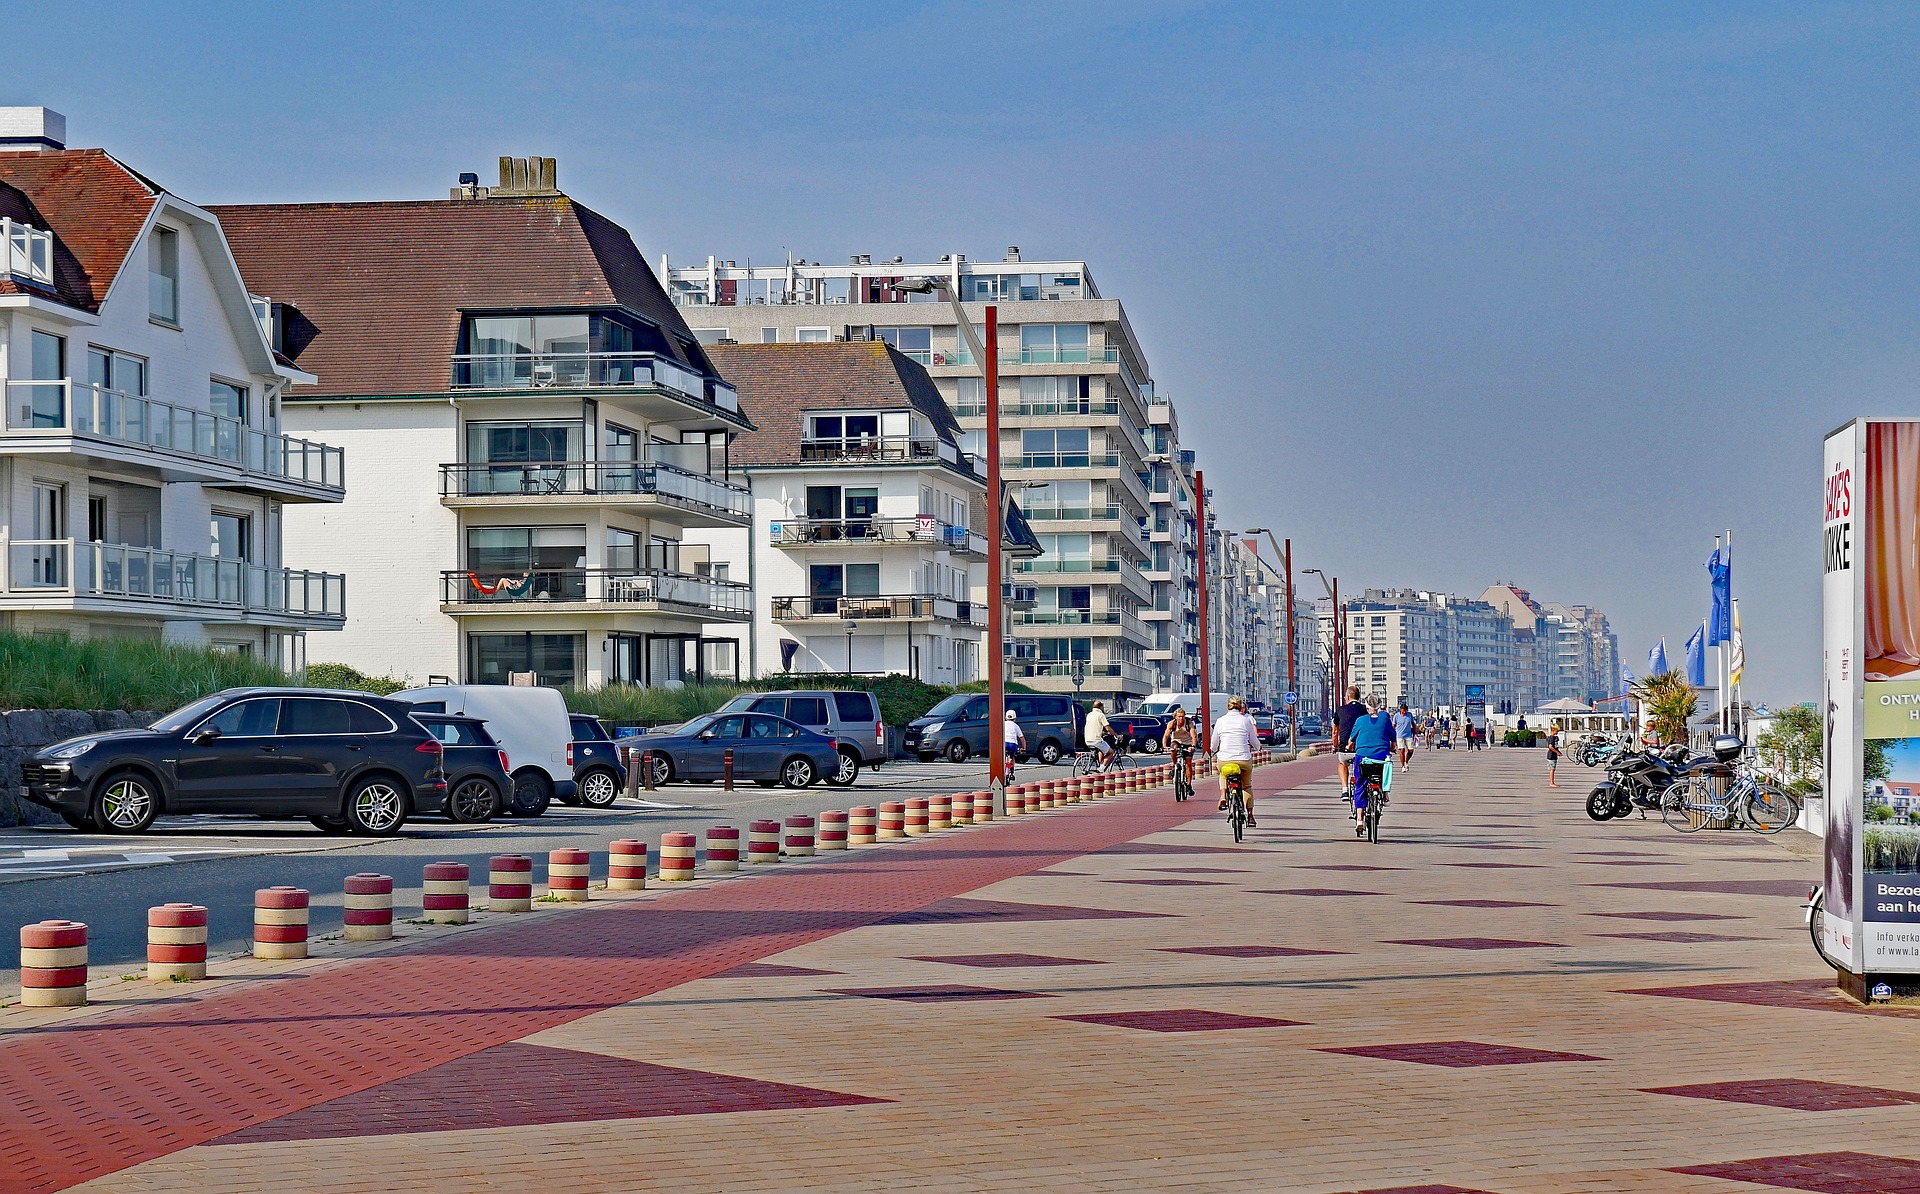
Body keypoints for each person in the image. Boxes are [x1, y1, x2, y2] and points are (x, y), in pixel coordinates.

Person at [1347, 696, 1397, 835]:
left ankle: (1359, 820)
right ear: (1380, 706)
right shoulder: (1385, 719)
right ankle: (1385, 794)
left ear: (1366, 707)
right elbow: (1393, 739)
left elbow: (1351, 741)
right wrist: (1392, 747)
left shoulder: (1360, 720)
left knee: (1360, 785)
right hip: (1381, 756)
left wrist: (1349, 746)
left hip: (1363, 757)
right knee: (1385, 770)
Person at [1211, 696, 1260, 826]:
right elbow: (1254, 741)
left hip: (1225, 759)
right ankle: (1250, 816)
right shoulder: (1246, 721)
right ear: (1240, 707)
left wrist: (1214, 749)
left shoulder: (1220, 721)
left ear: (1228, 706)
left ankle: (1223, 796)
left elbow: (1214, 744)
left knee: (1222, 773)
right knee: (1247, 786)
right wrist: (1258, 747)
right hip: (1243, 759)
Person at [1331, 685, 1367, 800]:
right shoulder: (1364, 709)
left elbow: (1335, 731)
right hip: (1362, 748)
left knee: (1342, 763)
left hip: (1345, 749)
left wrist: (1334, 745)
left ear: (1347, 696)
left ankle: (1345, 790)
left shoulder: (1340, 710)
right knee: (1365, 766)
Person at [1165, 707, 1197, 797]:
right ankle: (1174, 764)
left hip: (1188, 743)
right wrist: (1164, 746)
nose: (1181, 719)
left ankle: (1189, 785)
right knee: (1173, 748)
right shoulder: (1172, 724)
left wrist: (1193, 746)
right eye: (1179, 716)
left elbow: (1193, 736)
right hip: (1177, 742)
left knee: (1188, 763)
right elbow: (1166, 735)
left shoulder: (1189, 723)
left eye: (1182, 716)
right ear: (1175, 717)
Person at [1084, 700, 1113, 772]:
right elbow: (1107, 728)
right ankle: (1101, 768)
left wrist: (1102, 733)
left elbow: (1094, 727)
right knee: (1110, 752)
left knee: (1101, 749)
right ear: (1100, 707)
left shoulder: (1089, 715)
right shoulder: (1101, 715)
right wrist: (1116, 735)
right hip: (1096, 740)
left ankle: (1100, 764)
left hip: (1087, 740)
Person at [1392, 703, 1416, 771]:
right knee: (1402, 750)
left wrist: (1415, 733)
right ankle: (1403, 766)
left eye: (1405, 711)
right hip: (1400, 735)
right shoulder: (1396, 716)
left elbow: (1413, 724)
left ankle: (1406, 761)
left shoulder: (1409, 715)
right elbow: (1393, 725)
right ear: (1400, 710)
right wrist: (1392, 734)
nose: (1404, 712)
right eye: (1403, 711)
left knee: (1411, 750)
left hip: (1408, 735)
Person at [1003, 709, 1025, 782]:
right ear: (1015, 718)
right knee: (1012, 757)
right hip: (1013, 744)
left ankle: (1004, 769)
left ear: (1006, 717)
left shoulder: (1003, 724)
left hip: (1004, 743)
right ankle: (1011, 771)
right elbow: (1022, 738)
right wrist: (1024, 748)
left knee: (1004, 757)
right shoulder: (1016, 726)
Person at [1546, 722, 1561, 787]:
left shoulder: (1554, 737)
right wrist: (1557, 752)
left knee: (1553, 769)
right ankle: (1551, 783)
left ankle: (1552, 782)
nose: (1557, 732)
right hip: (1551, 755)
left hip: (1553, 755)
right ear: (1553, 730)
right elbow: (1550, 747)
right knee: (1552, 769)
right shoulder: (1551, 738)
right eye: (1556, 731)